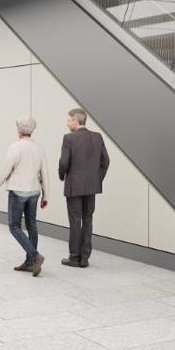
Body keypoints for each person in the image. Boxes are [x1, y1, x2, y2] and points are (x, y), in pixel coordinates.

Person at [0, 116, 49, 276]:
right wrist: (46, 195)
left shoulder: (15, 147)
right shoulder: (39, 148)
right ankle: (30, 262)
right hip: (34, 192)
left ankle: (35, 256)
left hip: (18, 191)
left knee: (14, 226)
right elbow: (44, 173)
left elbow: (6, 170)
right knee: (31, 225)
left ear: (19, 130)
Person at [58, 108, 109, 268]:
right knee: (88, 219)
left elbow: (64, 162)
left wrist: (62, 176)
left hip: (74, 186)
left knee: (75, 221)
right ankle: (85, 258)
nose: (67, 123)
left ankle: (74, 257)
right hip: (91, 186)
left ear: (75, 120)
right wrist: (97, 179)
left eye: (69, 120)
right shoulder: (97, 137)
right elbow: (106, 161)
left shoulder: (69, 138)